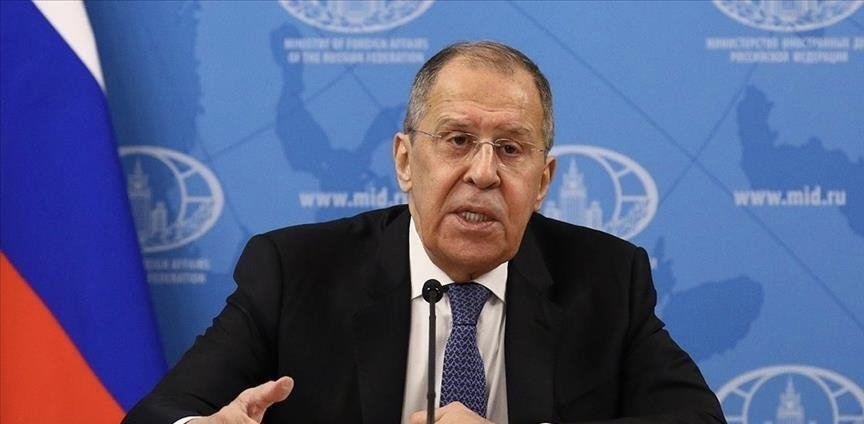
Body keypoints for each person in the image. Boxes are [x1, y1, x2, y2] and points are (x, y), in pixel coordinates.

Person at [124, 41, 726, 424]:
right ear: (406, 161)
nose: (483, 173)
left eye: (510, 149)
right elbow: (161, 412)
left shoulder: (607, 279)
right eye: (458, 140)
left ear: (543, 181)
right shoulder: (295, 272)